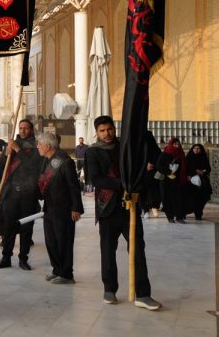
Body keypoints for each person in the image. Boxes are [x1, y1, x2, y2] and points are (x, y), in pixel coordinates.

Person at [86, 115, 161, 310]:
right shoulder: (93, 152)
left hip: (131, 208)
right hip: (107, 209)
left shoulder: (125, 147)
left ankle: (143, 294)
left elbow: (138, 169)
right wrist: (123, 185)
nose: (107, 133)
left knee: (138, 250)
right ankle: (109, 289)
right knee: (108, 251)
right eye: (102, 130)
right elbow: (96, 179)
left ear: (114, 129)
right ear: (97, 132)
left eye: (109, 129)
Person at [0, 120, 41, 270]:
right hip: (11, 193)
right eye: (21, 128)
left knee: (27, 227)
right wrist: (6, 155)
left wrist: (18, 149)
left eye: (26, 128)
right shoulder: (12, 145)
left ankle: (23, 258)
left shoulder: (36, 146)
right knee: (8, 227)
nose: (23, 131)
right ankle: (6, 257)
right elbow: (1, 168)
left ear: (32, 130)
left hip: (28, 193)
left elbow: (33, 166)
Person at [36, 133, 83, 284]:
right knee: (51, 241)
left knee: (64, 241)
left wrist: (76, 208)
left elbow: (73, 186)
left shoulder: (65, 161)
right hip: (49, 207)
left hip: (64, 209)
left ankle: (66, 274)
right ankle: (57, 269)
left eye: (40, 144)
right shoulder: (46, 161)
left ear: (48, 146)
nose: (38, 147)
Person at [156, 138, 189, 223]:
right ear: (171, 145)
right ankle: (170, 216)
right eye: (175, 144)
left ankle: (179, 217)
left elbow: (185, 167)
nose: (177, 146)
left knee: (179, 199)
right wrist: (169, 172)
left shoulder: (181, 154)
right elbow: (159, 166)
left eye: (178, 144)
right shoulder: (165, 154)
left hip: (178, 181)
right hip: (167, 181)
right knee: (168, 199)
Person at [186, 143, 211, 220]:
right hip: (191, 181)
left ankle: (198, 214)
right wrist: (195, 171)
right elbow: (186, 168)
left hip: (202, 182)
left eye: (198, 148)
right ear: (192, 149)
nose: (196, 150)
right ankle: (186, 211)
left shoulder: (204, 158)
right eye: (195, 148)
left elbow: (208, 169)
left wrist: (203, 172)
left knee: (201, 199)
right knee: (191, 198)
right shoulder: (188, 158)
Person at [140, 131, 162, 218]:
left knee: (153, 192)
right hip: (143, 175)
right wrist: (145, 166)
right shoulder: (139, 149)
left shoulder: (155, 149)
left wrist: (153, 165)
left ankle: (153, 208)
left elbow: (160, 160)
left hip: (153, 175)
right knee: (143, 192)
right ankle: (145, 209)